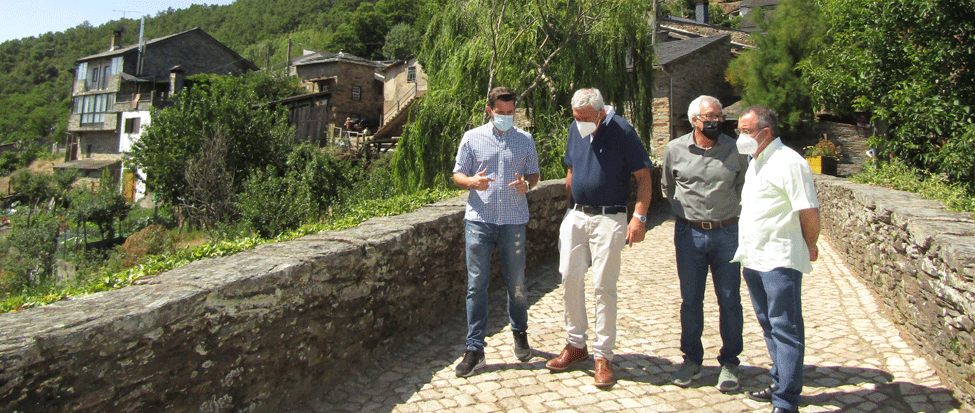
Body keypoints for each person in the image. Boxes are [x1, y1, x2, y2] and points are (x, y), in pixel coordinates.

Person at [545, 88, 653, 388]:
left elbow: (644, 177)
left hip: (609, 217)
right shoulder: (575, 128)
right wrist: (568, 209)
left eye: (585, 118)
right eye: (575, 117)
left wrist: (639, 217)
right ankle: (576, 344)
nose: (579, 122)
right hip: (577, 214)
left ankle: (603, 355)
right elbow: (572, 168)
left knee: (603, 285)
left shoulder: (623, 131)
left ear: (601, 113)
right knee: (569, 277)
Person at [733, 105, 820, 413]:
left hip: (779, 260)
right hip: (754, 258)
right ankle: (780, 382)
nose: (740, 136)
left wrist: (811, 244)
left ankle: (786, 401)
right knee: (769, 326)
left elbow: (808, 210)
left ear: (765, 132)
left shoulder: (790, 162)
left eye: (745, 131)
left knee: (786, 328)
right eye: (739, 131)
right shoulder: (756, 161)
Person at [452, 87, 541, 378]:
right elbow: (457, 174)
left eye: (511, 112)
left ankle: (520, 333)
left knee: (517, 283)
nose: (506, 116)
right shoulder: (471, 137)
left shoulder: (525, 139)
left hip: (513, 221)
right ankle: (474, 348)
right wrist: (471, 182)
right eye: (501, 112)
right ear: (490, 110)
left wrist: (527, 185)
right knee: (476, 286)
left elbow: (534, 174)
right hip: (480, 220)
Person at [662, 95, 748, 391]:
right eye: (709, 117)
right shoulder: (674, 149)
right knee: (691, 300)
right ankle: (691, 359)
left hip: (727, 233)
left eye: (718, 116)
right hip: (690, 235)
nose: (715, 121)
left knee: (730, 300)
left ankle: (730, 362)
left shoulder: (736, 149)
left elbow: (744, 186)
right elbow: (667, 187)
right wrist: (687, 214)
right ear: (694, 120)